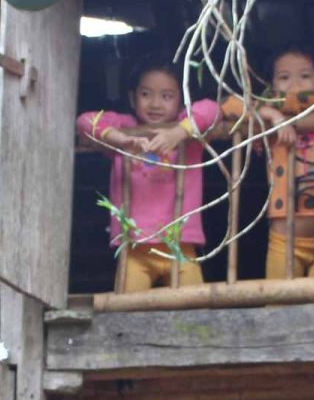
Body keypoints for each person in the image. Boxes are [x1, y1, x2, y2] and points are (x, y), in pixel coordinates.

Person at [76, 55, 221, 291]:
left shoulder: (188, 132)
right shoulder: (125, 127)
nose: (155, 104)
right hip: (135, 247)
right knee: (129, 308)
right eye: (146, 94)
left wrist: (178, 133)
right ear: (132, 98)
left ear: (181, 100)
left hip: (180, 244)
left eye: (167, 96)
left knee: (192, 308)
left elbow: (213, 109)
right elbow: (85, 121)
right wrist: (121, 140)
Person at [222, 47, 314, 279]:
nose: (295, 85)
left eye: (305, 76)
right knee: (281, 299)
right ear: (271, 86)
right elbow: (228, 105)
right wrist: (273, 116)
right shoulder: (269, 119)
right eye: (284, 77)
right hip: (284, 242)